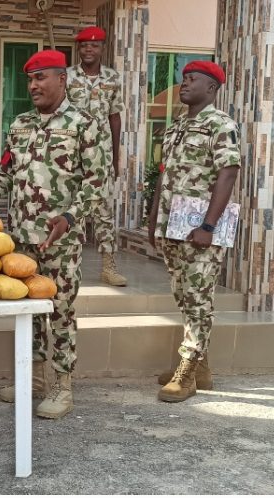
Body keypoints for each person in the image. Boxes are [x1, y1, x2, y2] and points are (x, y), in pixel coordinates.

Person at [0, 50, 105, 419]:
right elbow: (7, 172)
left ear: (62, 80)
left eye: (41, 78)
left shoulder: (85, 124)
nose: (34, 85)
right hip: (22, 237)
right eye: (30, 79)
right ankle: (35, 379)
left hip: (61, 239)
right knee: (29, 311)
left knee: (60, 312)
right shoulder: (20, 124)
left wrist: (71, 218)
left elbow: (97, 182)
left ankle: (62, 386)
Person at [148, 61, 240, 403]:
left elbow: (227, 173)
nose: (184, 84)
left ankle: (187, 371)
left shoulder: (221, 124)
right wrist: (154, 218)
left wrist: (209, 226)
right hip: (173, 225)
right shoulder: (176, 126)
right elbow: (164, 174)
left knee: (199, 296)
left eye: (192, 79)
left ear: (212, 88)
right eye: (183, 78)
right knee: (185, 294)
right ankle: (200, 366)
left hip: (201, 227)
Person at [66, 26, 127, 286]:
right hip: (70, 153)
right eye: (84, 46)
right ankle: (70, 265)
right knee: (71, 208)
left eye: (94, 45)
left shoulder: (112, 78)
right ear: (79, 49)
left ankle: (108, 267)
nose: (88, 49)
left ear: (102, 48)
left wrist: (115, 156)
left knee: (103, 210)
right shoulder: (67, 76)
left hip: (100, 155)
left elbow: (115, 117)